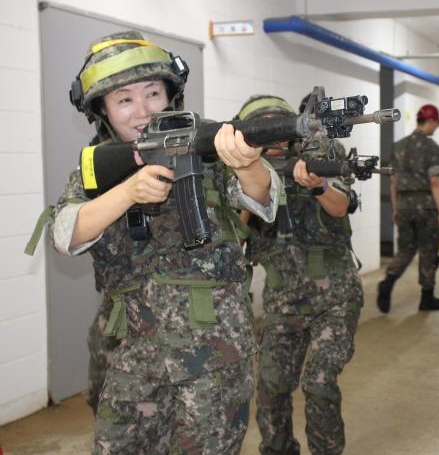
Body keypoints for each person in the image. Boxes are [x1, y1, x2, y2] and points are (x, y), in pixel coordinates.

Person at [46, 31, 280, 454]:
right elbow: (64, 235)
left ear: (170, 93)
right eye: (124, 100)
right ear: (102, 110)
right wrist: (127, 193)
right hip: (133, 356)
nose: (142, 110)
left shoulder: (207, 144)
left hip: (215, 354)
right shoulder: (96, 169)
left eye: (152, 93)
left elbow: (263, 200)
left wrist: (249, 165)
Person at [239, 95, 363, 455]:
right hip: (283, 301)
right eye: (263, 133)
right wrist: (249, 185)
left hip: (335, 296)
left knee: (319, 382)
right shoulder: (241, 169)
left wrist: (317, 186)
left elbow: (340, 207)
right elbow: (234, 234)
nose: (273, 142)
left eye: (279, 129)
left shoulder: (320, 154)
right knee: (270, 385)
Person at [376, 104, 439, 313]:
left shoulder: (397, 146)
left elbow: (393, 181)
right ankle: (427, 298)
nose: (437, 128)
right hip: (426, 207)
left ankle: (388, 282)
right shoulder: (432, 148)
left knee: (406, 249)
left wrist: (396, 208)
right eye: (437, 124)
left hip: (403, 205)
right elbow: (434, 182)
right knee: (428, 250)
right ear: (432, 121)